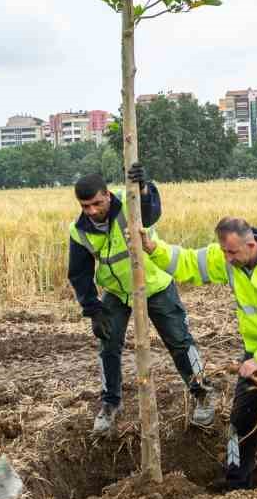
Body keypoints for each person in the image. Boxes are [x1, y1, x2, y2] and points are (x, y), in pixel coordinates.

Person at [143, 217, 257, 491]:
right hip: (256, 344)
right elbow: (187, 262)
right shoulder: (228, 259)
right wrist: (152, 248)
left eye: (232, 252)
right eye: (224, 251)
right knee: (242, 417)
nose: (227, 258)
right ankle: (237, 483)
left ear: (251, 243)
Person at [68, 164, 213, 434]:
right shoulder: (79, 230)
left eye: (96, 203)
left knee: (179, 341)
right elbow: (79, 273)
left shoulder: (129, 202)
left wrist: (144, 188)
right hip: (118, 293)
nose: (92, 211)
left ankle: (202, 393)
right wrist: (93, 310)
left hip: (155, 284)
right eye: (85, 206)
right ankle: (111, 404)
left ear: (108, 195)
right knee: (108, 346)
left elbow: (150, 213)